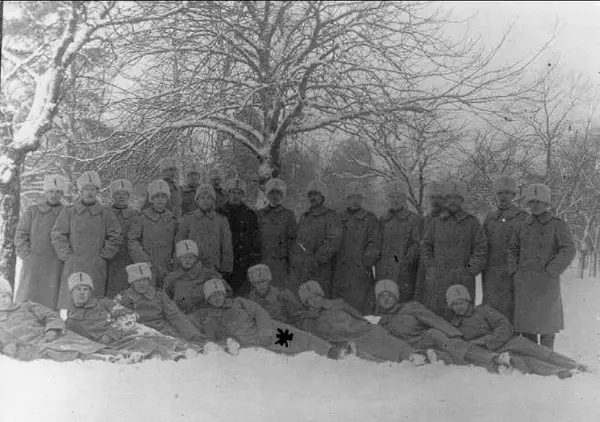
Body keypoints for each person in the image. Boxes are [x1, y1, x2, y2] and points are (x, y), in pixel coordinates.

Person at [446, 284, 586, 378]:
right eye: (454, 304)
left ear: (468, 301)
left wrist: (492, 340)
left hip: (507, 340)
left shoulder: (482, 311)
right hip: (493, 352)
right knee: (524, 361)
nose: (459, 307)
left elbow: (504, 325)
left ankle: (573, 364)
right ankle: (559, 372)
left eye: (461, 302)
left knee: (536, 350)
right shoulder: (455, 325)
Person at [375, 279, 511, 372]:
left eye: (390, 295)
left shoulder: (411, 307)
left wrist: (455, 335)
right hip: (410, 348)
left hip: (424, 338)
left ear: (396, 297)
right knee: (443, 354)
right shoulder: (382, 322)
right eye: (382, 297)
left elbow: (434, 320)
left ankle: (492, 359)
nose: (386, 299)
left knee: (444, 340)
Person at [65, 271, 203, 361]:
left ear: (91, 292)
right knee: (146, 344)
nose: (82, 293)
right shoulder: (70, 320)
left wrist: (111, 333)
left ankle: (192, 350)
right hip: (114, 344)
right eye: (78, 289)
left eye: (85, 289)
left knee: (157, 338)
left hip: (125, 333)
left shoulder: (103, 303)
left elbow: (130, 315)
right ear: (71, 292)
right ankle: (175, 356)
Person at [296, 280, 435, 366]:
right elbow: (316, 340)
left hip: (363, 330)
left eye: (316, 296)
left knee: (385, 339)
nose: (315, 300)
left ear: (321, 295)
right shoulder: (309, 320)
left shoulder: (338, 303)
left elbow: (357, 315)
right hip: (348, 340)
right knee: (370, 353)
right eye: (310, 299)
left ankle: (415, 355)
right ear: (306, 303)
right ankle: (400, 360)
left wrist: (369, 325)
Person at [507, 184, 576, 350]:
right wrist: (514, 268)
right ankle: (532, 355)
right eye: (531, 202)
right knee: (527, 323)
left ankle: (547, 355)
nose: (535, 205)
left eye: (539, 201)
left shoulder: (558, 225)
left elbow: (568, 249)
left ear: (547, 204)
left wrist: (552, 270)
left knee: (547, 322)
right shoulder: (522, 225)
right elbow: (512, 248)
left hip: (546, 282)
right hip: (525, 282)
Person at [199, 279, 338, 359]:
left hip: (269, 330)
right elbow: (215, 339)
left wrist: (265, 330)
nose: (217, 299)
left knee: (298, 338)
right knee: (287, 355)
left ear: (224, 294)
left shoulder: (238, 302)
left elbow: (259, 312)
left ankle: (329, 350)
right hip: (250, 343)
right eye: (213, 296)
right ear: (208, 299)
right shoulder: (210, 319)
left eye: (219, 294)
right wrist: (230, 343)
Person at [51, 171, 122, 309]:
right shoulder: (69, 212)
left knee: (94, 301)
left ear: (97, 191)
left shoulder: (105, 213)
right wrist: (67, 255)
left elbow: (116, 235)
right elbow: (58, 233)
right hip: (74, 263)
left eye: (93, 189)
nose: (89, 192)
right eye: (86, 189)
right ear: (80, 191)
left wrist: (104, 255)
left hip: (96, 264)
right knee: (72, 300)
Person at [0, 276, 109, 362]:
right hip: (32, 344)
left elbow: (50, 315)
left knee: (81, 342)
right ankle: (102, 359)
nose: (2, 300)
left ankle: (114, 354)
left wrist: (52, 329)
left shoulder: (26, 306)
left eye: (4, 296)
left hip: (50, 335)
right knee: (61, 351)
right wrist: (7, 347)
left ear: (10, 296)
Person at [420, 180, 487, 320]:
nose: (453, 201)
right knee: (438, 316)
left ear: (462, 200)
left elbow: (480, 248)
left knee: (463, 317)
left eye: (457, 198)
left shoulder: (471, 222)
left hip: (462, 278)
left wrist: (470, 270)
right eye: (449, 198)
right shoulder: (436, 222)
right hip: (438, 277)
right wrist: (430, 267)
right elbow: (426, 245)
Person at [115, 263, 207, 344]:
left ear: (149, 280)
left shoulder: (159, 295)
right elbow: (121, 321)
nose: (142, 283)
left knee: (179, 344)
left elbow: (175, 315)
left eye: (145, 280)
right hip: (139, 332)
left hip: (161, 330)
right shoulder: (126, 298)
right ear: (131, 283)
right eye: (137, 280)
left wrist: (193, 334)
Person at [14, 174, 68, 310]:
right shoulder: (33, 211)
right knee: (28, 302)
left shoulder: (67, 213)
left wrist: (66, 257)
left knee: (50, 304)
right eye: (51, 191)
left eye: (57, 192)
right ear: (45, 192)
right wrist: (27, 255)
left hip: (56, 265)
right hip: (34, 265)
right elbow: (21, 235)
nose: (54, 195)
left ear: (62, 194)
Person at [482, 176, 528, 321]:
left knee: (511, 310)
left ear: (514, 195)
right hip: (491, 272)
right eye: (500, 193)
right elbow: (482, 243)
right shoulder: (490, 218)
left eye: (508, 193)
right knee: (491, 309)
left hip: (512, 272)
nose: (504, 197)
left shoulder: (522, 217)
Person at [332, 181, 381, 314]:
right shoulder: (339, 217)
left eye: (358, 198)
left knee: (359, 307)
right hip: (341, 270)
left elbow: (374, 243)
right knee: (340, 308)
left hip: (360, 271)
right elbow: (332, 241)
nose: (355, 201)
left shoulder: (370, 218)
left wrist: (365, 263)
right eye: (352, 198)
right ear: (347, 199)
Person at [289, 180, 342, 296]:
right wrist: (296, 259)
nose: (312, 197)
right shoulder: (305, 217)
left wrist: (316, 259)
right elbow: (298, 241)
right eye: (310, 194)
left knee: (319, 300)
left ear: (322, 197)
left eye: (316, 194)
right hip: (302, 269)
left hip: (321, 268)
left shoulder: (331, 216)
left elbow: (333, 241)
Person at [376, 180, 421, 304]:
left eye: (399, 197)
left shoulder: (414, 219)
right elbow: (376, 243)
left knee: (403, 304)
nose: (395, 200)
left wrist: (407, 261)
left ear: (404, 199)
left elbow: (417, 243)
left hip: (404, 270)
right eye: (392, 197)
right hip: (384, 270)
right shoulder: (382, 220)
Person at [128, 179, 178, 289]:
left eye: (163, 196)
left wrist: (174, 261)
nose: (160, 199)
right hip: (147, 267)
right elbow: (132, 240)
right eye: (157, 196)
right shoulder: (142, 218)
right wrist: (143, 259)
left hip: (167, 267)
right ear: (151, 199)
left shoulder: (173, 220)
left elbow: (177, 242)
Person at [175, 183, 233, 277]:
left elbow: (227, 246)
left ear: (213, 201)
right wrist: (179, 267)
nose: (205, 201)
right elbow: (179, 243)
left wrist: (226, 269)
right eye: (202, 197)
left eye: (209, 198)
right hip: (191, 269)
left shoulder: (221, 220)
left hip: (214, 269)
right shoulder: (188, 219)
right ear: (197, 200)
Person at [220, 177, 262, 295]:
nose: (236, 196)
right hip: (223, 262)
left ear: (243, 195)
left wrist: (253, 260)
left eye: (239, 193)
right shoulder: (219, 212)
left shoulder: (249, 214)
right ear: (228, 193)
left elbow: (255, 238)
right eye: (233, 192)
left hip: (242, 262)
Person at [163, 239, 223, 315]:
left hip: (203, 314)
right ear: (179, 259)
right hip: (180, 315)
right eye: (184, 257)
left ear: (195, 259)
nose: (188, 260)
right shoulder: (171, 277)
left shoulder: (206, 274)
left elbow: (222, 291)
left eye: (191, 257)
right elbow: (165, 298)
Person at [257, 178, 297, 289]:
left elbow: (293, 240)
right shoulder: (260, 214)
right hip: (263, 260)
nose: (274, 196)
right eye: (271, 193)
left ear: (282, 196)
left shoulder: (289, 215)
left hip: (280, 263)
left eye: (278, 193)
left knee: (279, 293)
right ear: (267, 195)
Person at [106, 179, 139, 298]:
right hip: (109, 258)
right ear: (113, 196)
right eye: (117, 193)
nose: (121, 197)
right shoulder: (105, 213)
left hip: (128, 258)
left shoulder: (135, 215)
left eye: (124, 193)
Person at [415, 181, 445, 304]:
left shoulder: (448, 219)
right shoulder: (424, 220)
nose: (435, 201)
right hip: (425, 267)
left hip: (443, 266)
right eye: (432, 197)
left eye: (439, 197)